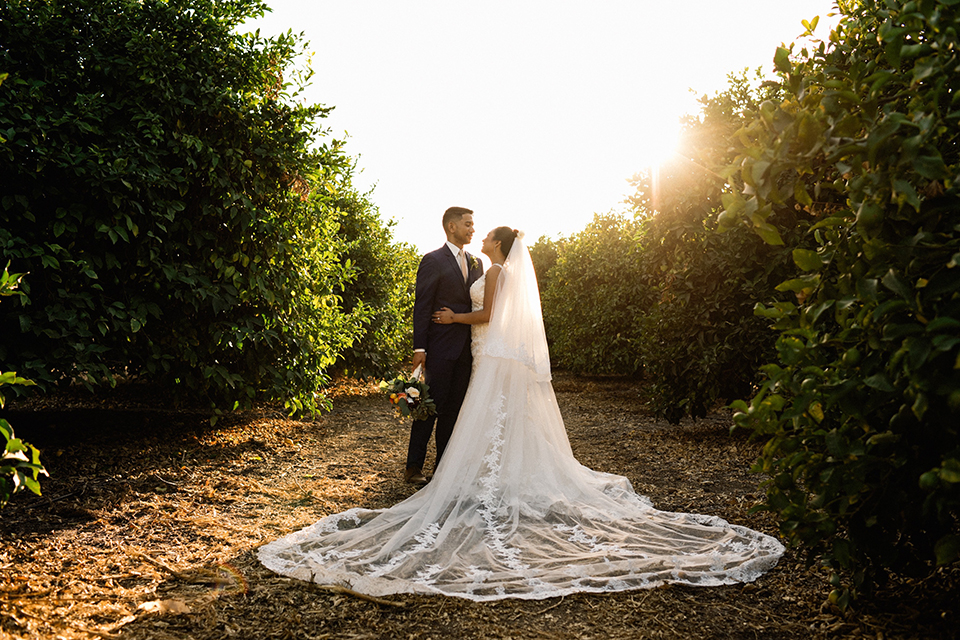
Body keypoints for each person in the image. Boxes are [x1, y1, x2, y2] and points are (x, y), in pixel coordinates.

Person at [258, 228, 784, 601]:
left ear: (500, 245)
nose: (481, 236)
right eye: (475, 228)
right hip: (480, 353)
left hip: (488, 352)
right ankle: (467, 474)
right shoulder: (486, 266)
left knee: (489, 419)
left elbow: (486, 315)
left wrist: (454, 316)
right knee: (480, 421)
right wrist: (440, 330)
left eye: (488, 234)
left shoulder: (500, 270)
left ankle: (486, 479)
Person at [405, 207, 483, 485]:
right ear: (452, 227)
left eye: (473, 225)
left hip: (467, 348)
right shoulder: (432, 260)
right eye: (468, 224)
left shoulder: (477, 263)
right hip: (439, 347)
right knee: (428, 407)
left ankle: (442, 469)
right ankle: (413, 467)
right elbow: (422, 306)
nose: (473, 229)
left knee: (454, 409)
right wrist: (419, 348)